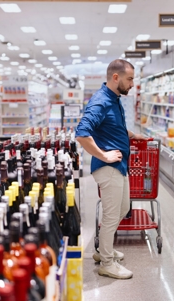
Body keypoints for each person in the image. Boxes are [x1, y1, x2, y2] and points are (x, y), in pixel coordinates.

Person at [75, 59, 146, 280]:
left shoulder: (113, 98)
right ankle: (107, 262)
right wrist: (104, 155)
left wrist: (132, 135)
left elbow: (113, 125)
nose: (133, 84)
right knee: (111, 214)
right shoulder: (101, 101)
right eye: (130, 79)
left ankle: (104, 249)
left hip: (119, 165)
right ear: (116, 78)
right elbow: (82, 132)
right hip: (108, 167)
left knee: (123, 208)